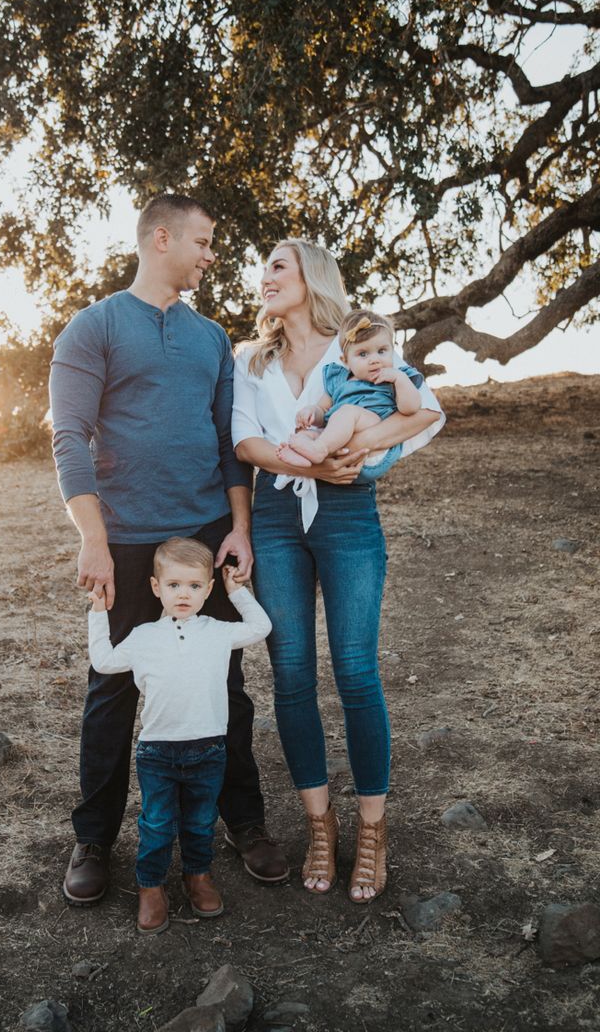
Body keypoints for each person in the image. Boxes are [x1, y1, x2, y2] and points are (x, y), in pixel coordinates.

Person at [50, 194, 289, 909]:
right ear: (161, 239)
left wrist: (238, 529)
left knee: (225, 685)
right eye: (204, 241)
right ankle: (94, 838)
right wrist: (92, 538)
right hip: (123, 540)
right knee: (114, 687)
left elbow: (228, 444)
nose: (212, 256)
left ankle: (244, 825)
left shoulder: (213, 339)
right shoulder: (92, 329)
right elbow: (69, 439)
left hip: (205, 534)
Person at [232, 238, 445, 903]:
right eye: (262, 267)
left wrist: (363, 440)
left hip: (350, 515)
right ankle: (319, 826)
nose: (264, 276)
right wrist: (310, 463)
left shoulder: (356, 342)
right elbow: (245, 442)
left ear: (310, 277)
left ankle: (373, 832)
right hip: (273, 518)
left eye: (278, 266)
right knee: (291, 675)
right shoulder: (250, 359)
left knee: (355, 671)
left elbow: (429, 413)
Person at [87, 537, 271, 934]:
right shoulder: (142, 637)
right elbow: (103, 660)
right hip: (157, 752)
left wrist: (237, 591)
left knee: (201, 820)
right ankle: (150, 885)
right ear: (156, 588)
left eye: (193, 586)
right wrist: (98, 612)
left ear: (208, 589)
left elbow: (262, 627)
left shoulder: (219, 632)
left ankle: (197, 875)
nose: (183, 594)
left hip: (209, 750)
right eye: (173, 586)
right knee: (156, 823)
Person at [277, 310, 423, 480]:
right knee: (306, 434)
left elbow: (411, 408)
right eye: (363, 354)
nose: (374, 359)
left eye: (382, 351)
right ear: (345, 360)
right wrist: (312, 412)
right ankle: (302, 454)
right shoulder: (339, 380)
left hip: (375, 443)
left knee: (347, 412)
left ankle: (319, 450)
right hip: (341, 444)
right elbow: (323, 412)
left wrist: (400, 379)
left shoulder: (396, 377)